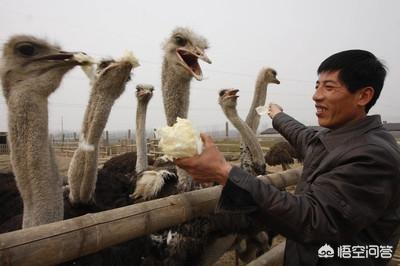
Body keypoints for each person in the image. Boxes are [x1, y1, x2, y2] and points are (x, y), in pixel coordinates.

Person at [175, 50, 400, 266]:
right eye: (317, 86)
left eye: (329, 87)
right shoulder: (335, 138)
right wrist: (277, 115)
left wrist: (225, 172)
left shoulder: (373, 157)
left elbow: (313, 221)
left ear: (363, 95)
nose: (316, 95)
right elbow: (303, 135)